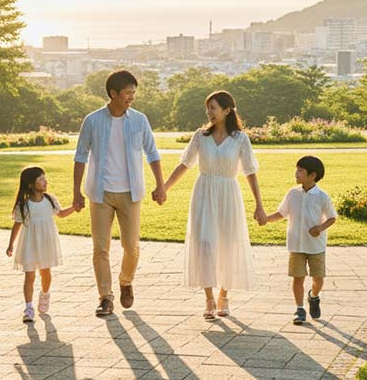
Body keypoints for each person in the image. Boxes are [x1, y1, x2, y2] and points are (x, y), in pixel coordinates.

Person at [161, 90, 266, 319]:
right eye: (207, 108)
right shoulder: (201, 136)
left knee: (228, 243)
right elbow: (184, 164)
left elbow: (250, 172)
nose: (209, 112)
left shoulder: (240, 139)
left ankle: (224, 296)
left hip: (228, 194)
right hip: (204, 192)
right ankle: (209, 298)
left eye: (213, 108)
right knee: (204, 243)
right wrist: (164, 187)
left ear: (227, 110)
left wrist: (259, 204)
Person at [73, 69, 164, 316]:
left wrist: (160, 185)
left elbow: (152, 153)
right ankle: (105, 297)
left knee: (131, 247)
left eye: (134, 93)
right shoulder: (92, 121)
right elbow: (80, 156)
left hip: (130, 193)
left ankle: (126, 281)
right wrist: (76, 192)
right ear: (113, 93)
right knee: (100, 249)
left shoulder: (139, 120)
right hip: (100, 193)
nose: (131, 97)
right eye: (127, 93)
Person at [261, 155, 337, 325]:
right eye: (296, 169)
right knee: (298, 277)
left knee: (318, 279)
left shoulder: (322, 196)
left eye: (300, 171)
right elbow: (281, 213)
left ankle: (313, 296)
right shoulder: (292, 193)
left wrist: (320, 228)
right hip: (296, 244)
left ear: (312, 175)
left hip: (316, 246)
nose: (296, 173)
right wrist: (266, 219)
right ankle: (299, 308)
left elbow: (332, 218)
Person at [7, 166, 75, 323]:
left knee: (46, 273)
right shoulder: (24, 205)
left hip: (46, 243)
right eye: (41, 179)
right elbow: (17, 225)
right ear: (31, 184)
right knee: (29, 275)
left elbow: (61, 213)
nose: (46, 181)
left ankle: (44, 295)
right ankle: (28, 308)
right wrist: (11, 245)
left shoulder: (50, 200)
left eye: (45, 178)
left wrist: (74, 208)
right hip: (30, 244)